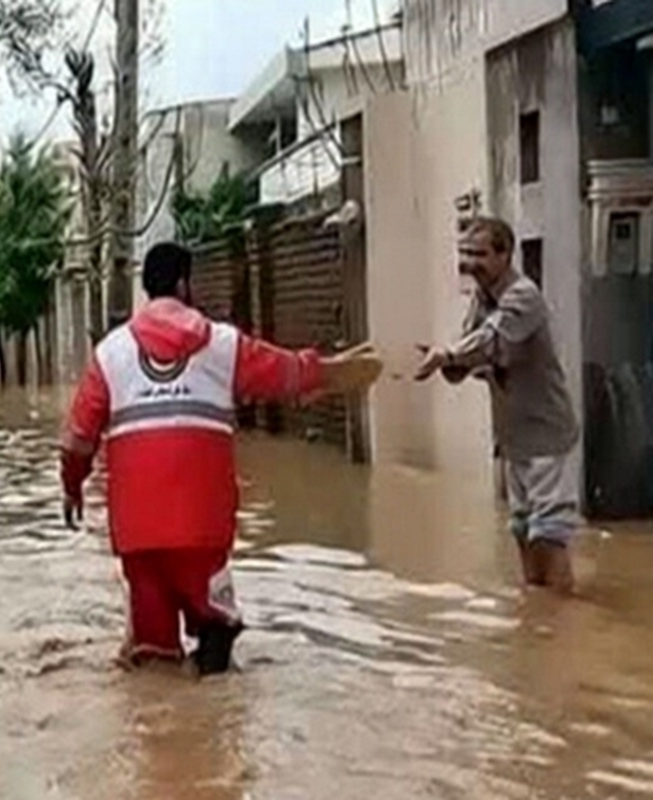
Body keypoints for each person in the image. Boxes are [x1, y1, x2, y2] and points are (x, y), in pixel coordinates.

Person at [59, 241, 383, 676]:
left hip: (137, 532)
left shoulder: (109, 355)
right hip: (201, 526)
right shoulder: (222, 345)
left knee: (152, 655)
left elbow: (77, 440)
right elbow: (285, 373)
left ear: (146, 287)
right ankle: (210, 712)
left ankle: (163, 730)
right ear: (183, 283)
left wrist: (72, 488)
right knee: (217, 628)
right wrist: (332, 371)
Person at [415, 216, 579, 594]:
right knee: (522, 527)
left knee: (549, 531)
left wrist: (449, 356)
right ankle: (537, 609)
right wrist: (447, 360)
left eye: (479, 254)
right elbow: (465, 356)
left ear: (505, 255)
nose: (469, 262)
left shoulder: (523, 295)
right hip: (513, 436)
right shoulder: (481, 299)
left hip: (545, 433)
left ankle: (565, 618)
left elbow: (488, 341)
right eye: (464, 253)